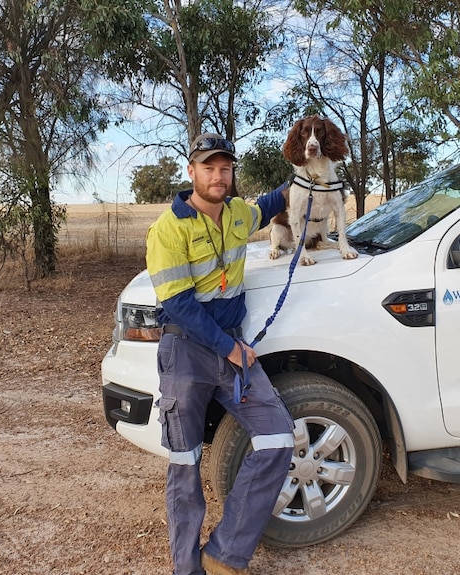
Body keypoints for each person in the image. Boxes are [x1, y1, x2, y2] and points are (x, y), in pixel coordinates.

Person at [145, 133, 295, 575]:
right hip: (188, 351)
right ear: (191, 172)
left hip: (231, 345)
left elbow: (271, 203)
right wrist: (230, 349)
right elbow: (178, 305)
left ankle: (225, 553)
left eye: (225, 168)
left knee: (277, 438)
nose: (218, 176)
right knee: (185, 465)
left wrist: (305, 177)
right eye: (209, 168)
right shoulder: (168, 228)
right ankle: (186, 569)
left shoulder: (237, 214)